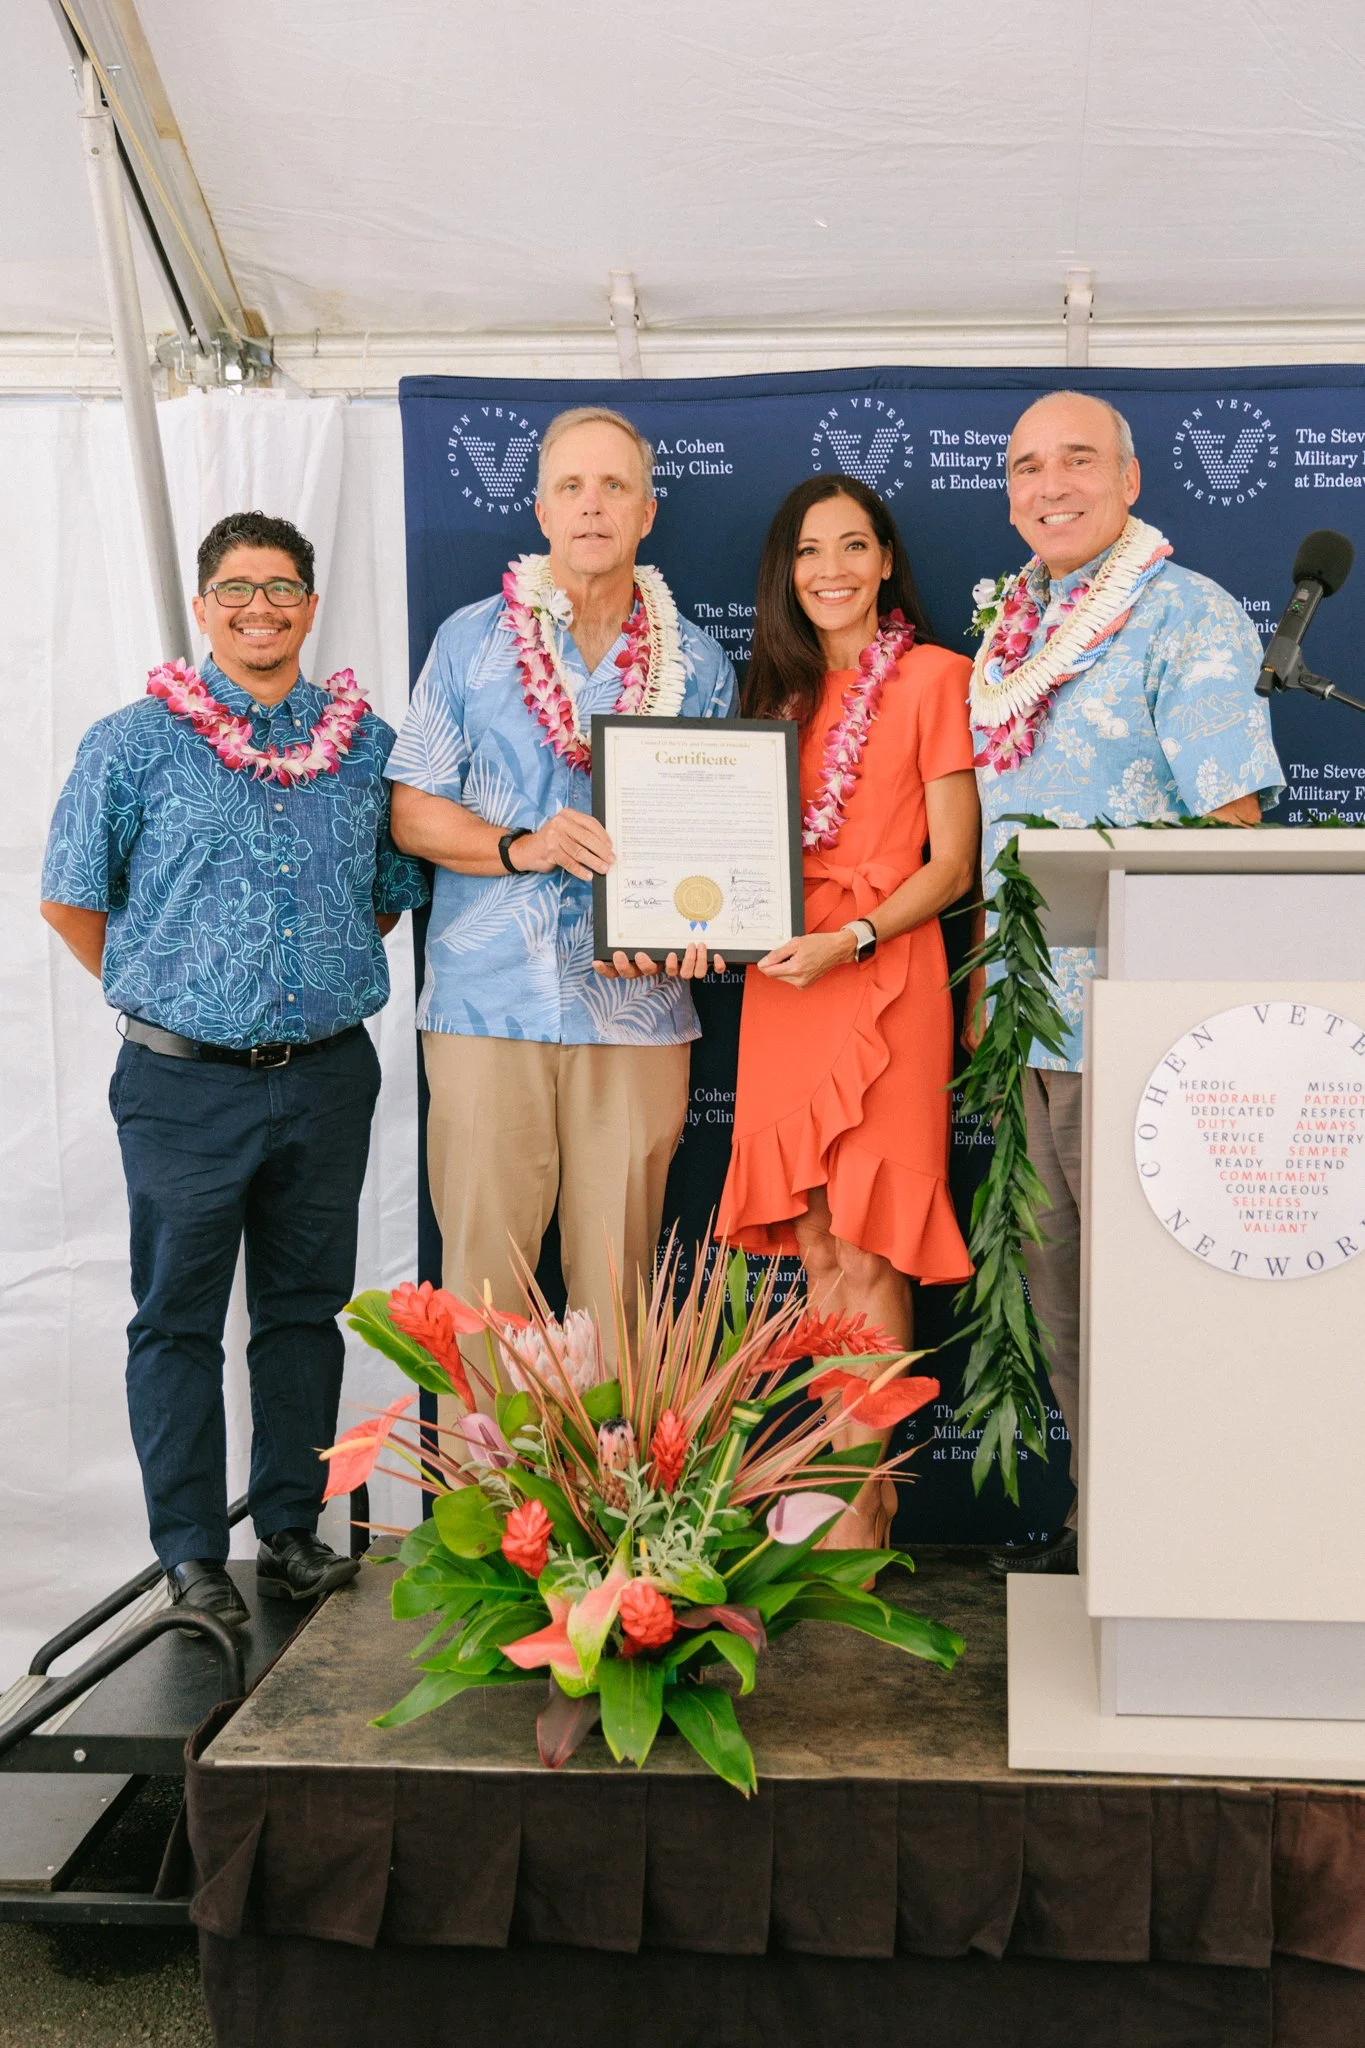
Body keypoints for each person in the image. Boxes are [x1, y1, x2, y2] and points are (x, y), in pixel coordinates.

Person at [40, 511, 429, 1626]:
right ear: (205, 603)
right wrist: (172, 987)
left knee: (303, 1313)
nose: (261, 605)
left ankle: (293, 1529)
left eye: (283, 586)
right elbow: (71, 894)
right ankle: (190, 1554)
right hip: (180, 1085)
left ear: (311, 603)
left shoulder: (365, 745)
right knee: (177, 1318)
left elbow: (389, 900)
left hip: (323, 1077)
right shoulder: (132, 742)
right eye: (237, 587)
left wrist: (297, 988)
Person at [968, 390, 1284, 1576]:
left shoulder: (1184, 614)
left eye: (1078, 461)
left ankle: (1187, 1541)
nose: (1050, 484)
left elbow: (1234, 825)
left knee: (1157, 1311)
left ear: (1132, 479)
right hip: (1026, 1031)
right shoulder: (1013, 627)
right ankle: (1108, 1527)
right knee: (1064, 1314)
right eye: (1026, 466)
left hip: (1141, 1033)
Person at [386, 406, 735, 1380]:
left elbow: (719, 839)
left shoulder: (698, 663)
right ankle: (487, 1529)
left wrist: (707, 924)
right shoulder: (470, 643)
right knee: (480, 1295)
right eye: (573, 487)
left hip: (635, 1009)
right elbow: (414, 813)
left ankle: (615, 1527)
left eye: (614, 486)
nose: (593, 505)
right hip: (483, 1003)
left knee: (620, 1298)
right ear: (540, 507)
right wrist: (522, 843)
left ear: (648, 512)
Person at [716, 475, 980, 1548]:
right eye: (809, 549)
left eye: (853, 546)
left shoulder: (935, 677)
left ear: (884, 562)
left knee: (873, 1245)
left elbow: (953, 864)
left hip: (884, 965)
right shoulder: (768, 699)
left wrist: (856, 936)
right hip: (788, 984)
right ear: (787, 571)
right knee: (820, 1245)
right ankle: (843, 1476)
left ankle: (859, 1511)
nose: (830, 568)